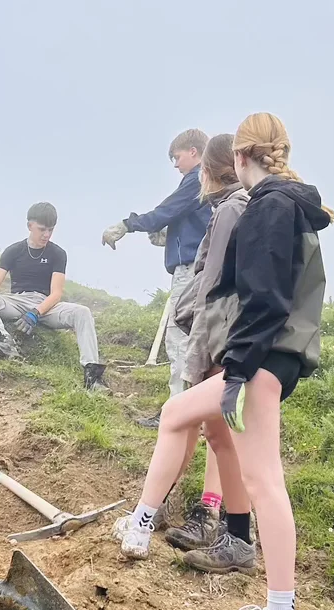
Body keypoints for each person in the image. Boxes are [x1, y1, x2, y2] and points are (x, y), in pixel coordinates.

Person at [113, 112, 333, 610]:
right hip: (274, 357)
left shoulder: (268, 208)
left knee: (264, 481)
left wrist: (236, 371)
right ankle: (149, 526)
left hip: (261, 359)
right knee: (191, 424)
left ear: (239, 157)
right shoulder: (288, 202)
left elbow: (264, 300)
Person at [161, 134, 253, 565]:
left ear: (207, 167)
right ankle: (208, 515)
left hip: (221, 333)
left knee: (206, 423)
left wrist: (200, 350)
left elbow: (212, 287)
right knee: (214, 428)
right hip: (228, 332)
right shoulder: (234, 206)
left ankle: (206, 513)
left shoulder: (233, 208)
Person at [102, 129, 213, 417]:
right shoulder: (206, 181)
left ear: (193, 151)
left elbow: (167, 210)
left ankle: (177, 412)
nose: (175, 165)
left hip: (190, 270)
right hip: (201, 268)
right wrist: (169, 233)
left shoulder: (196, 179)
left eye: (176, 157)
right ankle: (194, 408)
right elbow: (185, 218)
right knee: (195, 336)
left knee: (178, 336)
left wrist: (128, 224)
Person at [0, 202, 109, 391]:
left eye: (50, 230)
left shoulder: (58, 253)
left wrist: (36, 312)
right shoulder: (13, 251)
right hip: (17, 301)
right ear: (30, 226)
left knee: (82, 312)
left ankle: (92, 375)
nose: (46, 234)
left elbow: (56, 293)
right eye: (42, 229)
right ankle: (1, 340)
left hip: (46, 305)